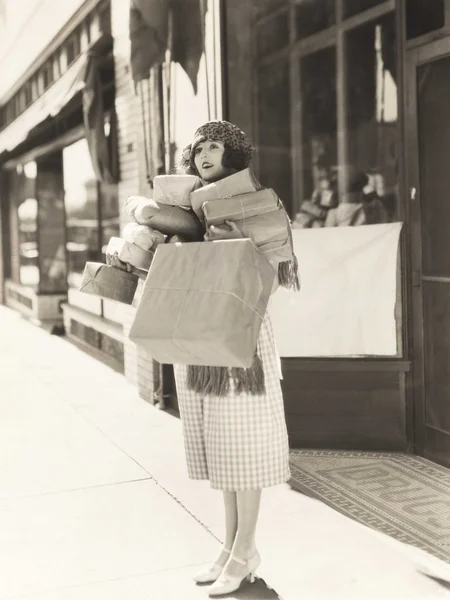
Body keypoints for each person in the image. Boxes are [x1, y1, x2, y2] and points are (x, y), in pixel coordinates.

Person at [108, 120, 295, 597]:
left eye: (215, 146)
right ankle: (232, 546)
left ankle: (245, 548)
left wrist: (233, 240)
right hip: (201, 335)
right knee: (224, 450)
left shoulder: (258, 203)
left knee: (243, 444)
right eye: (199, 148)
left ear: (232, 155)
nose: (206, 153)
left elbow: (271, 273)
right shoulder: (182, 208)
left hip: (238, 336)